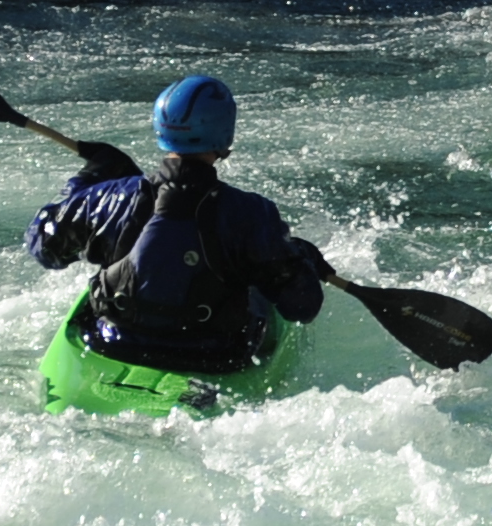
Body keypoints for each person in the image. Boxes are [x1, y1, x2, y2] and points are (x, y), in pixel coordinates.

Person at [26, 74, 327, 375]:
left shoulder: (109, 196)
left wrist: (86, 180)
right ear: (225, 134)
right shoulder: (252, 213)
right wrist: (300, 260)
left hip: (114, 343)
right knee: (259, 284)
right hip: (214, 355)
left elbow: (44, 248)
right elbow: (301, 306)